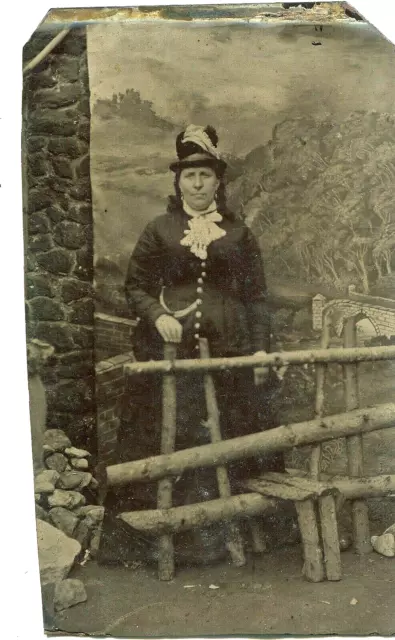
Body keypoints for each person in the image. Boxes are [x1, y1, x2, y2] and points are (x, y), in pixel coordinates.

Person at [98, 125, 285, 567]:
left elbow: (257, 297)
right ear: (178, 181)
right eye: (189, 176)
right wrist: (159, 316)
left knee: (234, 433)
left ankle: (233, 536)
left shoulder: (240, 233)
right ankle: (149, 541)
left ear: (218, 181)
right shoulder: (159, 228)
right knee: (165, 434)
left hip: (230, 352)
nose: (197, 184)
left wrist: (258, 349)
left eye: (205, 175)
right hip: (170, 353)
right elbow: (136, 286)